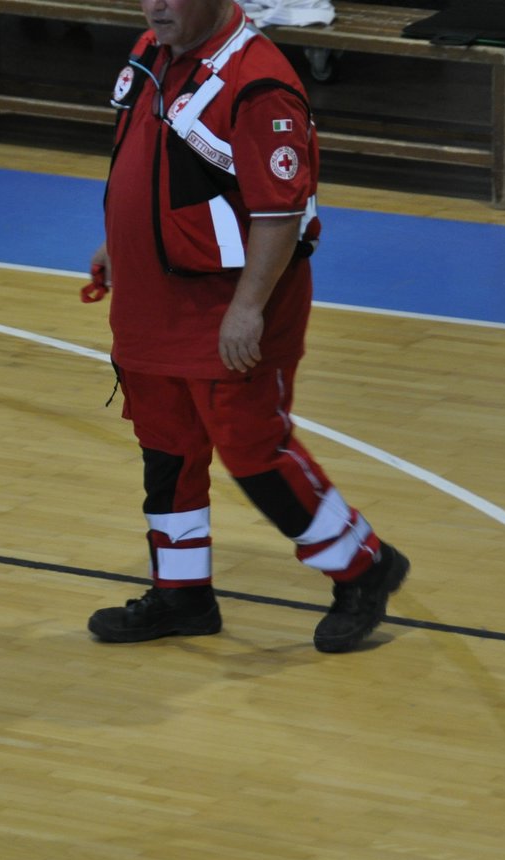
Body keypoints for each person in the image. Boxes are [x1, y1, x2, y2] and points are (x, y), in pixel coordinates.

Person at [86, 0, 407, 653]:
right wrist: (118, 242)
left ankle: (364, 566)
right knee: (167, 450)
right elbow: (147, 161)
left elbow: (280, 212)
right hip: (155, 304)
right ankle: (182, 596)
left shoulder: (259, 84)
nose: (156, 5)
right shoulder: (154, 48)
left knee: (253, 450)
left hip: (229, 310)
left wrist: (247, 308)